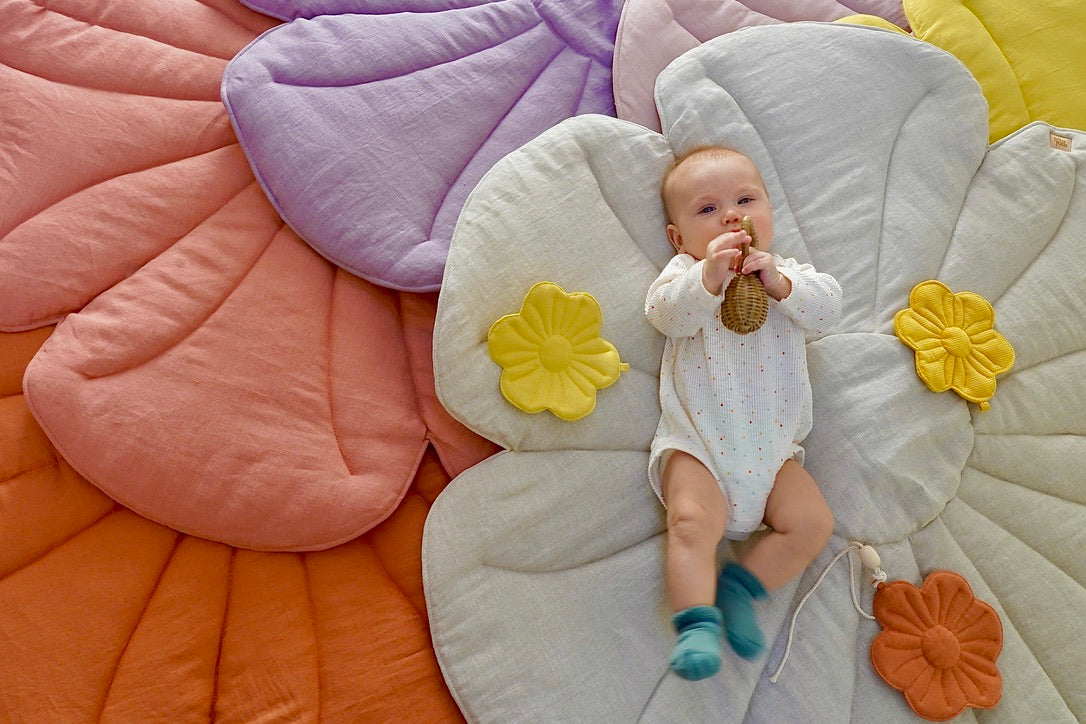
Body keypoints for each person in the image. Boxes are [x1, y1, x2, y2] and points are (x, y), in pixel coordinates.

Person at [645, 146, 842, 681]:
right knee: (690, 521)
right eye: (707, 210)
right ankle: (697, 622)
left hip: (776, 453)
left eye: (745, 200)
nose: (731, 215)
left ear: (768, 213)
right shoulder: (685, 274)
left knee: (813, 524)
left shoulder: (788, 275)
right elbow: (668, 317)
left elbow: (828, 312)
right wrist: (708, 276)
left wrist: (779, 283)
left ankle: (741, 588)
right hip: (699, 444)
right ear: (677, 237)